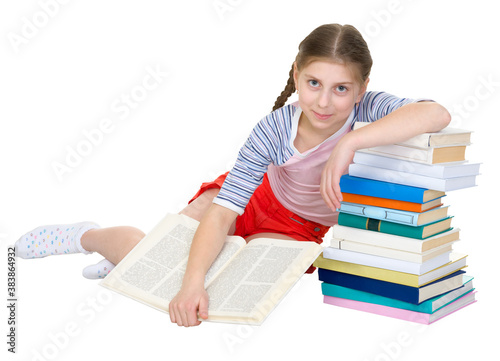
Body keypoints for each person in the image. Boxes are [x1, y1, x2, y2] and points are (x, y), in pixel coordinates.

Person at [15, 23, 451, 327]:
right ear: (297, 75)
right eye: (314, 83)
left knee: (229, 297)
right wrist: (189, 284)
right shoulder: (274, 128)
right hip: (250, 198)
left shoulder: (368, 109)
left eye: (341, 88)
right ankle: (87, 237)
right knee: (171, 270)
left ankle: (127, 263)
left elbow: (437, 113)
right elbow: (224, 212)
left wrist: (351, 142)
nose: (324, 102)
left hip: (300, 226)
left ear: (361, 86)